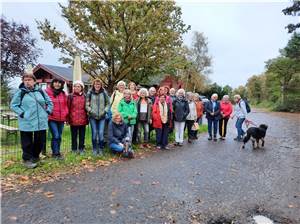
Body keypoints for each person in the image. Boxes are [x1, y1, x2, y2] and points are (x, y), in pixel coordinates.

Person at [11, 71, 53, 168]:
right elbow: (13, 105)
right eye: (25, 80)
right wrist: (23, 113)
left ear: (34, 81)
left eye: (29, 80)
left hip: (41, 121)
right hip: (27, 121)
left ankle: (35, 157)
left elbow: (49, 102)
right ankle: (27, 160)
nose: (27, 82)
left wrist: (48, 111)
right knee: (27, 142)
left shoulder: (40, 91)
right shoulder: (20, 92)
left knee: (40, 141)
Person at [85, 79, 110, 156]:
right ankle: (95, 149)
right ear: (94, 85)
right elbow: (86, 104)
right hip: (93, 116)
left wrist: (105, 111)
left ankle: (101, 149)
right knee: (94, 133)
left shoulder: (104, 93)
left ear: (101, 85)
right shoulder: (90, 93)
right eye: (96, 84)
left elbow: (108, 103)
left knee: (101, 133)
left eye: (99, 84)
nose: (97, 86)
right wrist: (90, 111)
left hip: (102, 116)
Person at [46, 78, 68, 159]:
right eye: (55, 82)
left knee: (59, 136)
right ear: (53, 83)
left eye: (59, 83)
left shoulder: (63, 94)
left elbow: (66, 105)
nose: (57, 84)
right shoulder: (47, 92)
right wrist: (48, 112)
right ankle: (55, 154)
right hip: (52, 118)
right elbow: (45, 104)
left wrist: (66, 113)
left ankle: (57, 152)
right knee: (56, 135)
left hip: (61, 118)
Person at [67, 81, 88, 154]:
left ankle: (81, 148)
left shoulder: (85, 96)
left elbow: (87, 107)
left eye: (78, 86)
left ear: (82, 88)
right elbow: (68, 108)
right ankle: (74, 149)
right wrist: (68, 118)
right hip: (73, 119)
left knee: (82, 136)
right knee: (74, 136)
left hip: (83, 119)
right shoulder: (70, 96)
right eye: (75, 86)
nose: (76, 88)